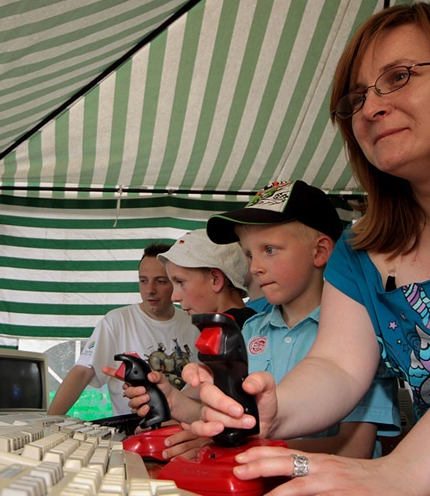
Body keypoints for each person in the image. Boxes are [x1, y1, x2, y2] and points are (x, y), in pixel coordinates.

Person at [187, 3, 430, 494]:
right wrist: (273, 408)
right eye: (356, 97)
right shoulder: (360, 248)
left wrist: (402, 469)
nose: (369, 109)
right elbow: (337, 366)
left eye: (399, 76)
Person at [207, 180, 398, 459]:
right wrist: (177, 403)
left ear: (319, 252)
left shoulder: (361, 337)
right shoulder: (250, 330)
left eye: (269, 249)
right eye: (249, 254)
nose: (255, 267)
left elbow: (355, 449)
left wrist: (256, 450)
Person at [106, 228, 257, 458]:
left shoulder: (243, 332)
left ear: (216, 279)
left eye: (180, 282)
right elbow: (199, 400)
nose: (175, 296)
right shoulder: (221, 329)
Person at [47, 243, 200, 416]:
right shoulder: (116, 321)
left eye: (160, 281)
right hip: (131, 430)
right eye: (143, 280)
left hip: (187, 429)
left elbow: (205, 386)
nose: (150, 290)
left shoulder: (194, 325)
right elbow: (82, 372)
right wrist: (49, 422)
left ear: (176, 282)